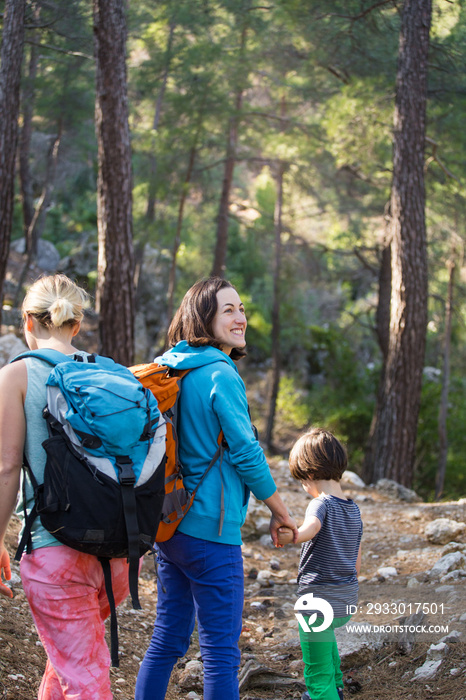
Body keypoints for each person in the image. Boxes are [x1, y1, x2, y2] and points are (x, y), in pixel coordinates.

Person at [135, 276, 298, 700]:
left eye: (241, 308)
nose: (239, 317)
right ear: (202, 316)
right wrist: (280, 510)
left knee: (167, 641)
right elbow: (246, 452)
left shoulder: (170, 366)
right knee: (221, 654)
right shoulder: (220, 374)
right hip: (210, 533)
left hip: (170, 526)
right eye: (227, 309)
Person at [0, 274, 130, 699]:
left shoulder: (17, 376)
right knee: (71, 664)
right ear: (77, 325)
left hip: (56, 553)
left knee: (86, 680)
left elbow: (5, 468)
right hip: (118, 555)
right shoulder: (114, 374)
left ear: (27, 321)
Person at [277, 428, 362, 700]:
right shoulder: (353, 509)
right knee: (328, 642)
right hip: (346, 598)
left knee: (315, 674)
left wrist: (293, 535)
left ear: (310, 473)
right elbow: (357, 558)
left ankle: (323, 693)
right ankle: (336, 686)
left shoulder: (320, 504)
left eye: (301, 480)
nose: (303, 486)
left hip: (316, 602)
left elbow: (311, 528)